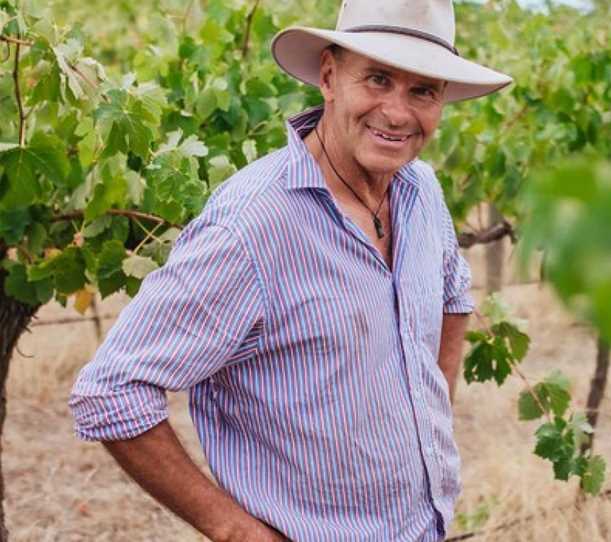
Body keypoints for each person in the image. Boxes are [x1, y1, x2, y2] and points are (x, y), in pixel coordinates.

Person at [68, 1, 512, 540]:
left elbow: (453, 294)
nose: (397, 113)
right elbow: (112, 391)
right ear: (329, 77)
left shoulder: (421, 190)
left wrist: (432, 422)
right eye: (377, 79)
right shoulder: (252, 226)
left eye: (423, 91)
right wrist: (237, 532)